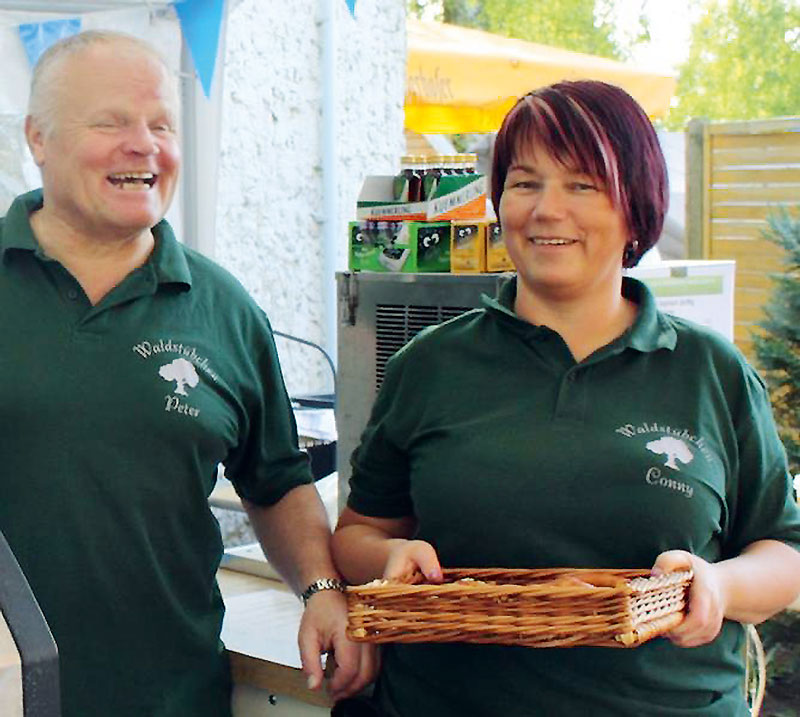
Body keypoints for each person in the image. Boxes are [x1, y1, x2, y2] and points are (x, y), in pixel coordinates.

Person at [331, 80, 800, 716]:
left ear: (637, 205)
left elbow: (784, 553)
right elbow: (358, 534)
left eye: (582, 184)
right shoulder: (430, 365)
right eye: (525, 183)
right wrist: (388, 555)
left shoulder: (709, 371)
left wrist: (716, 583)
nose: (547, 210)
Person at [0, 30, 374, 716]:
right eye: (111, 121)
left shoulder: (223, 308)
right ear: (38, 139)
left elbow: (278, 479)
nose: (144, 144)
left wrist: (322, 590)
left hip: (171, 695)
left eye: (162, 124)